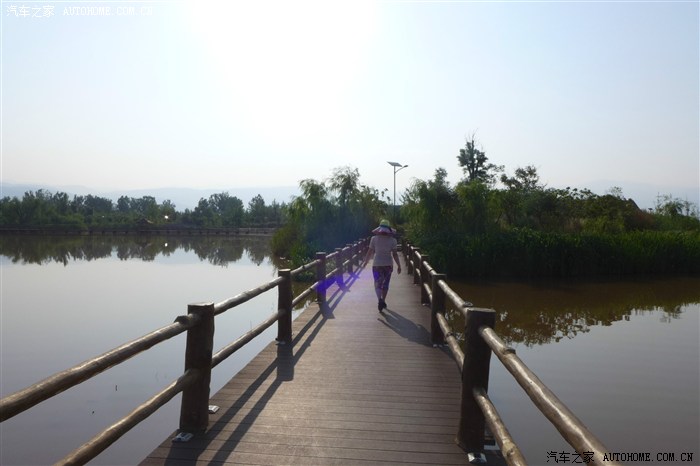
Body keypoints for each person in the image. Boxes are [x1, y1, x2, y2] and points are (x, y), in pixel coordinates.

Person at [363, 219, 402, 312]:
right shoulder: (393, 240)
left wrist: (365, 261)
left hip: (377, 264)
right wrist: (399, 265)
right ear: (389, 229)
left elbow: (370, 251)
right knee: (386, 284)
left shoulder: (374, 239)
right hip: (388, 265)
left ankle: (379, 300)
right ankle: (383, 300)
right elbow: (395, 254)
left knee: (377, 283)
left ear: (379, 228)